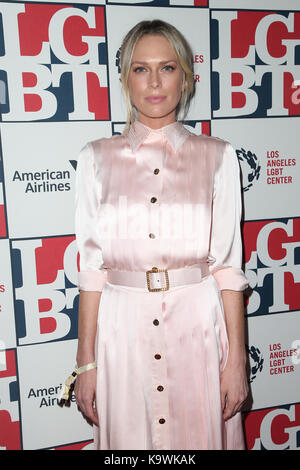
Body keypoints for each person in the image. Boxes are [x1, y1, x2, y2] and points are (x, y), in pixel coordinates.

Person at [73, 19, 249, 450]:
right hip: (122, 334)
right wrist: (86, 363)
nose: (154, 81)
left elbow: (227, 269)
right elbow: (92, 270)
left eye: (167, 68)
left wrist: (237, 361)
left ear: (186, 77)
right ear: (124, 78)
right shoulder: (94, 159)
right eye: (140, 68)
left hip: (198, 333)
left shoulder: (219, 157)